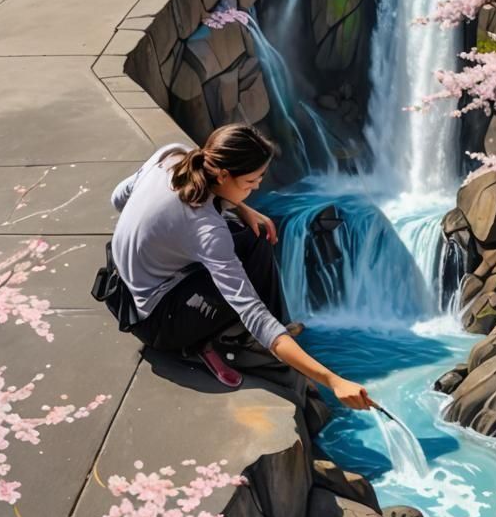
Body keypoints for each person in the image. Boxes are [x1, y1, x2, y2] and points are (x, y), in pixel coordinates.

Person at [106, 125, 373, 402]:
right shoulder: (205, 229)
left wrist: (242, 207)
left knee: (254, 236)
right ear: (222, 175)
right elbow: (251, 310)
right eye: (250, 182)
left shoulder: (173, 155)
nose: (257, 187)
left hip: (120, 283)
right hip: (155, 321)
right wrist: (333, 380)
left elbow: (118, 199)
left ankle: (276, 335)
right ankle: (234, 344)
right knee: (246, 296)